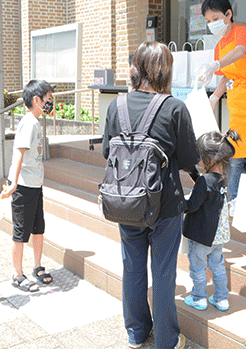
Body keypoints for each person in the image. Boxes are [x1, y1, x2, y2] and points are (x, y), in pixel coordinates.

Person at [102, 41, 199, 349]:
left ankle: (136, 332)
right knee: (163, 273)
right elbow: (186, 159)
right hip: (165, 204)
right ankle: (167, 340)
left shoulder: (116, 106)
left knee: (132, 268)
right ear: (166, 70)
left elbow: (107, 151)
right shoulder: (174, 108)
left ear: (136, 68)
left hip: (125, 201)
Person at [196, 0, 246, 201]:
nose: (212, 24)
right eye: (209, 21)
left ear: (228, 15)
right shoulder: (219, 46)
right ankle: (233, 200)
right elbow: (226, 75)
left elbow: (240, 51)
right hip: (239, 103)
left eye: (216, 18)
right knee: (235, 154)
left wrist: (216, 64)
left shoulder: (242, 32)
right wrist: (214, 98)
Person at [0, 79, 55, 292]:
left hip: (35, 186)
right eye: (48, 99)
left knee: (38, 229)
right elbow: (18, 153)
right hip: (23, 187)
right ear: (36, 100)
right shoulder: (28, 122)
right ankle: (17, 274)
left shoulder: (35, 121)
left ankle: (37, 266)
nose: (50, 103)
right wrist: (12, 183)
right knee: (20, 233)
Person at [182, 130, 240, 313]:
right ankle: (221, 298)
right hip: (219, 235)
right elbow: (209, 192)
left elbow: (191, 205)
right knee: (218, 266)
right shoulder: (223, 179)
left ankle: (199, 298)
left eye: (199, 157)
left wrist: (177, 200)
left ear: (210, 158)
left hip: (201, 235)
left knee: (198, 268)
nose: (198, 161)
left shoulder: (204, 181)